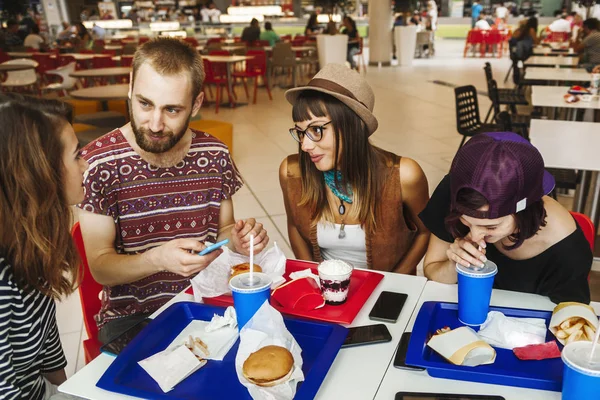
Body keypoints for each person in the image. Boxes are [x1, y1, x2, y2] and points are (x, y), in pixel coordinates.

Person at [77, 38, 269, 344]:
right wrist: (157, 259)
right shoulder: (97, 163)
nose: (154, 124)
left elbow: (224, 230)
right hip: (132, 318)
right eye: (144, 104)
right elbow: (101, 267)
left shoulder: (215, 153)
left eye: (172, 110)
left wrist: (235, 238)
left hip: (205, 300)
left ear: (196, 104)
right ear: (130, 88)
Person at [280, 64, 430, 274]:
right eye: (300, 132)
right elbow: (295, 227)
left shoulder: (403, 175)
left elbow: (425, 233)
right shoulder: (292, 172)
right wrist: (315, 278)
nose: (305, 145)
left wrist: (391, 284)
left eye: (316, 129)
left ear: (354, 126)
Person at [419, 132, 592, 304]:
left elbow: (571, 319)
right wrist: (455, 264)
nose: (476, 236)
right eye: (465, 221)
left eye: (491, 227)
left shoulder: (567, 252)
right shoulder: (454, 194)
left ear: (524, 212)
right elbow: (432, 272)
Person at [0, 93, 88, 399]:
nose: (86, 164)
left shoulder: (31, 241)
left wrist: (67, 392)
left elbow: (48, 341)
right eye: (77, 155)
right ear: (41, 173)